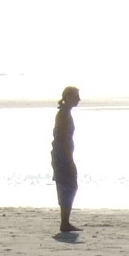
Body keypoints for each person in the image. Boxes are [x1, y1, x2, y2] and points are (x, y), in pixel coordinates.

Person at [52, 87, 81, 234]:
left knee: (69, 186)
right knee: (68, 186)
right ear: (68, 97)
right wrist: (70, 160)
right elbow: (63, 138)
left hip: (62, 154)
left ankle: (66, 221)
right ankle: (64, 223)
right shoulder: (63, 114)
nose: (79, 100)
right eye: (76, 96)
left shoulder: (66, 113)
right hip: (62, 155)